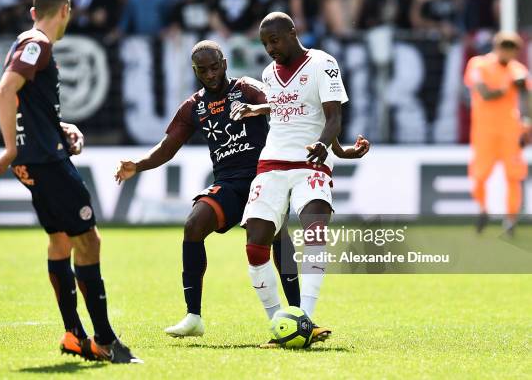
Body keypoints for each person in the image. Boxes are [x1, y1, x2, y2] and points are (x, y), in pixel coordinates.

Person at [114, 39, 369, 338]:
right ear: (195, 71)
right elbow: (167, 147)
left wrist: (335, 148)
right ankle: (193, 316)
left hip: (269, 172)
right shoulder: (194, 106)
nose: (209, 75)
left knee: (277, 239)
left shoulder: (248, 88)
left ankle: (300, 319)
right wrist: (138, 164)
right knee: (193, 226)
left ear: (224, 63)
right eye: (202, 70)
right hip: (230, 183)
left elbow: (295, 111)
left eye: (214, 67)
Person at [0, 0, 141, 364]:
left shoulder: (24, 42)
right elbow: (4, 92)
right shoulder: (38, 43)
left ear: (35, 11)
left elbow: (24, 99)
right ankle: (104, 340)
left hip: (36, 159)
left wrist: (58, 126)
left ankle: (73, 335)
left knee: (60, 241)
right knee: (90, 241)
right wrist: (11, 148)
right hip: (45, 163)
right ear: (65, 11)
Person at [230, 12, 356, 348]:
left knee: (315, 225)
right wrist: (258, 110)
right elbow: (285, 106)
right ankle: (279, 326)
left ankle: (306, 318)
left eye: (275, 40)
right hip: (271, 163)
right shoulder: (268, 73)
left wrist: (331, 148)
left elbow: (333, 116)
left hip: (310, 162)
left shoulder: (322, 63)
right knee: (255, 242)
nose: (270, 48)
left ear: (292, 32)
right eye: (265, 43)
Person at [464, 31, 530, 236]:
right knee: (480, 175)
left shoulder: (518, 69)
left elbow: (526, 97)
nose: (508, 51)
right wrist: (507, 87)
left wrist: (527, 124)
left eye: (512, 48)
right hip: (484, 131)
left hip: (510, 130)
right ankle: (483, 209)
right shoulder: (479, 64)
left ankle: (510, 219)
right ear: (496, 46)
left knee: (514, 175)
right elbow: (484, 93)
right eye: (505, 46)